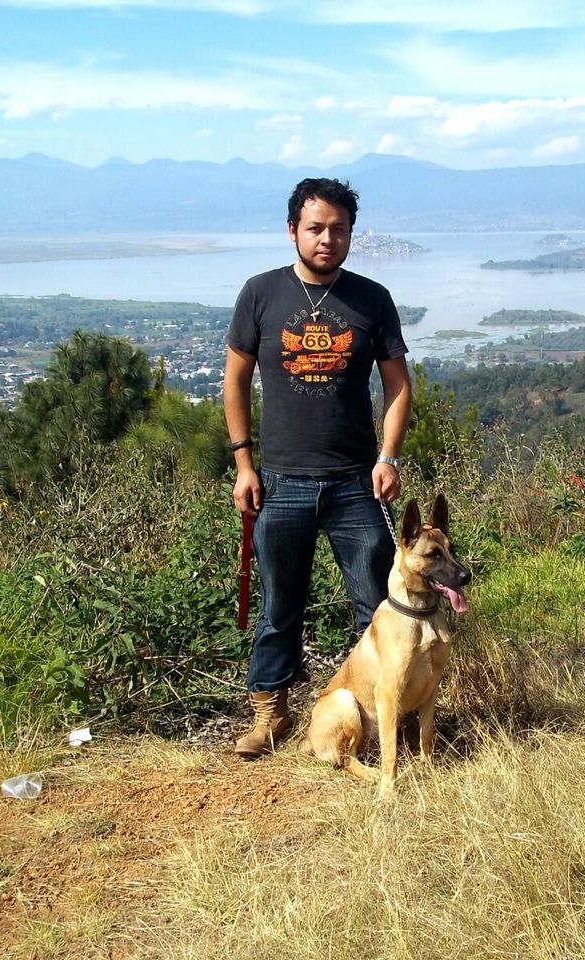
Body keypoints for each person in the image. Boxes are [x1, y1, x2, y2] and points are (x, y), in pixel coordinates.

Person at [223, 177, 412, 759]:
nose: (327, 239)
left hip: (357, 481)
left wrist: (387, 456)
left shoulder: (371, 299)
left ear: (351, 233)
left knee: (375, 606)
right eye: (316, 228)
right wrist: (244, 465)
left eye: (339, 229)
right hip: (280, 481)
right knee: (279, 605)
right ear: (292, 231)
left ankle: (382, 718)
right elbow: (234, 380)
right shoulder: (261, 293)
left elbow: (399, 385)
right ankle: (271, 715)